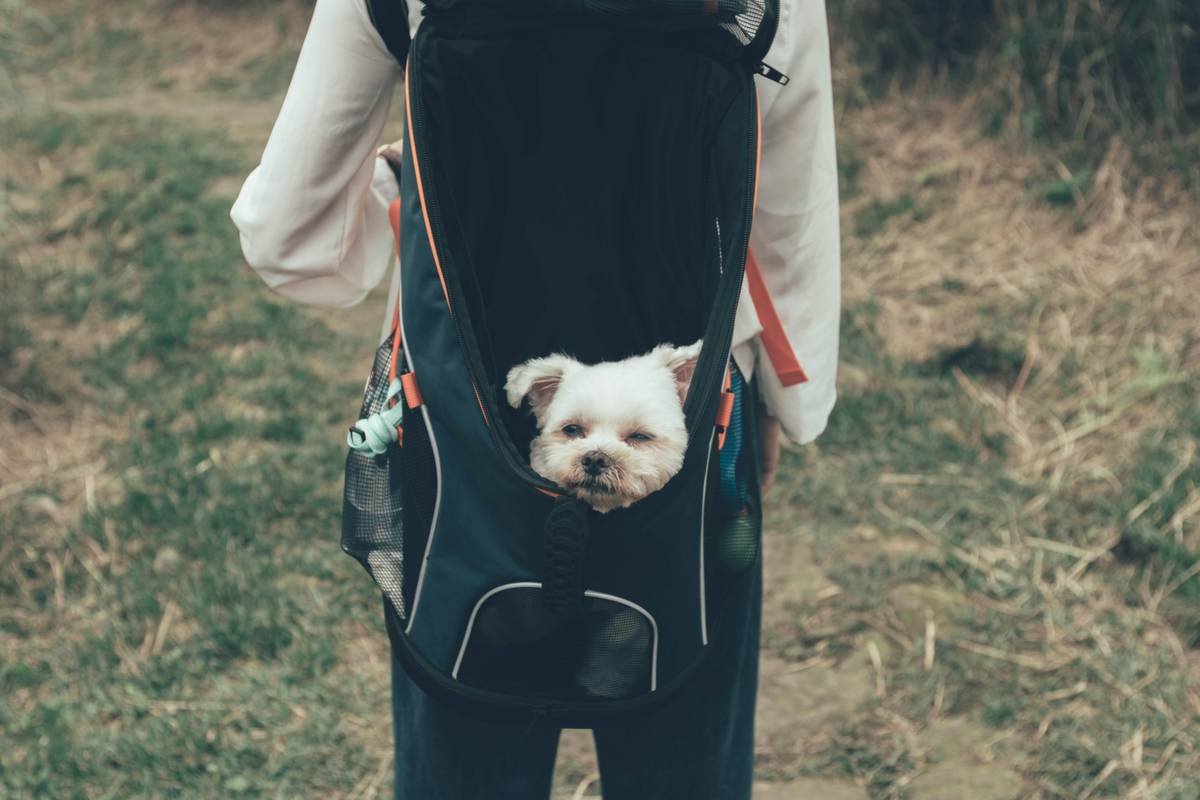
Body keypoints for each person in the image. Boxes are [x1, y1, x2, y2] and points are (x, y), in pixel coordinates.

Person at [231, 1, 839, 797]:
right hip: (690, 440)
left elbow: (290, 238)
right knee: (683, 735)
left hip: (455, 440)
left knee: (466, 729)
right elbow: (786, 216)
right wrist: (787, 404)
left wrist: (398, 182)